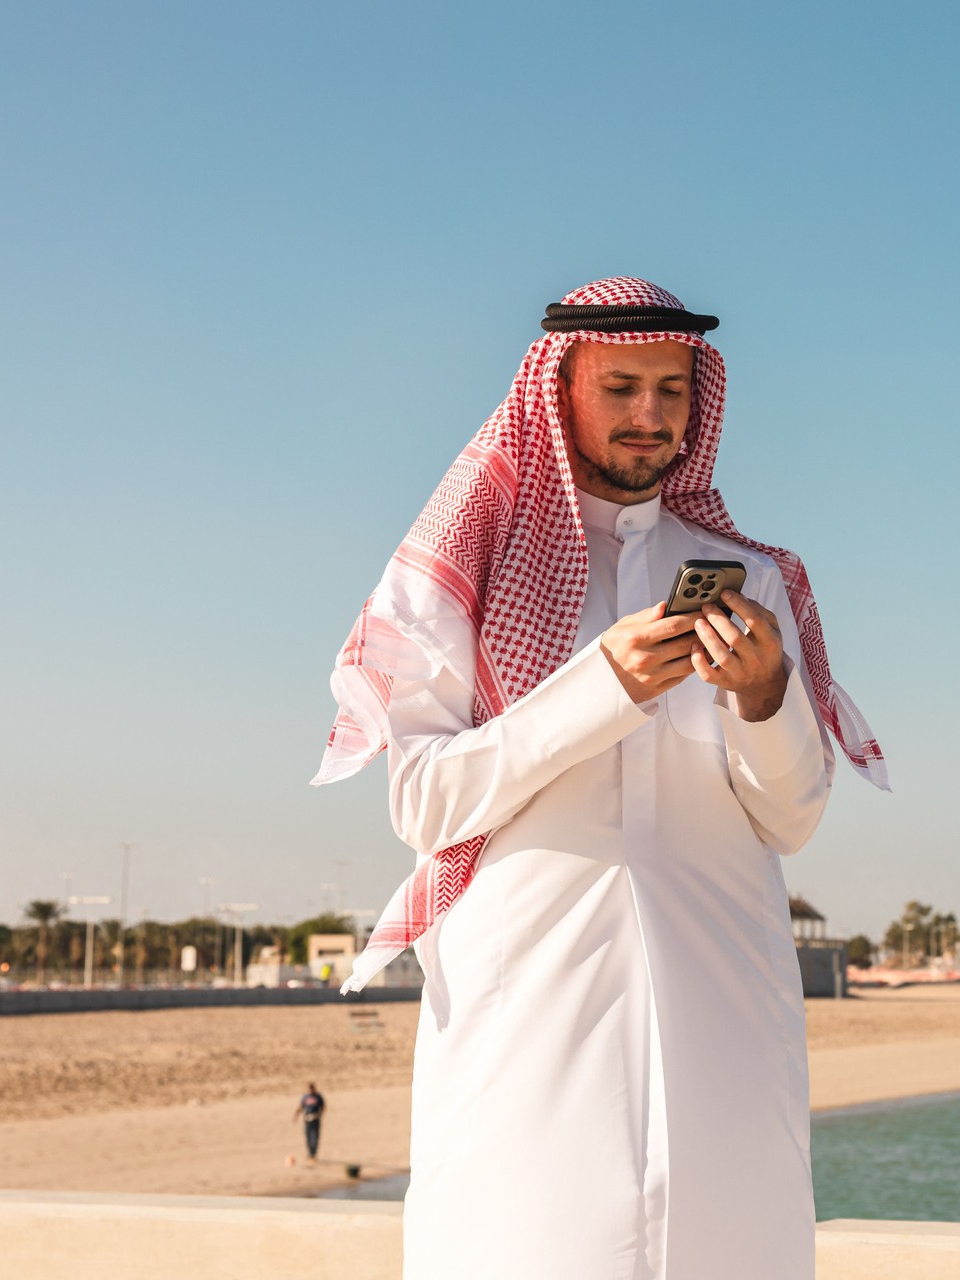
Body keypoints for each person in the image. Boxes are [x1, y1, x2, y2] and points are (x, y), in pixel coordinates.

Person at [312, 278, 885, 1280]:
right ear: (558, 388)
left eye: (672, 390)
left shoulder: (751, 576)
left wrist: (765, 698)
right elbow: (424, 802)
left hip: (725, 1021)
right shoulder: (469, 566)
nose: (650, 416)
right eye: (620, 386)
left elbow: (791, 817)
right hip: (528, 1020)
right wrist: (600, 686)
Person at [294, 1082, 325, 1160]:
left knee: (315, 1136)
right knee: (307, 1136)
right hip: (307, 1118)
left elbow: (323, 1107)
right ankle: (310, 1153)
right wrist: (296, 1115)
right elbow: (301, 1107)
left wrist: (319, 1115)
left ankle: (313, 1153)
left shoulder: (318, 1097)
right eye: (309, 1088)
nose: (311, 1089)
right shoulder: (305, 1097)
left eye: (312, 1088)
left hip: (315, 1118)